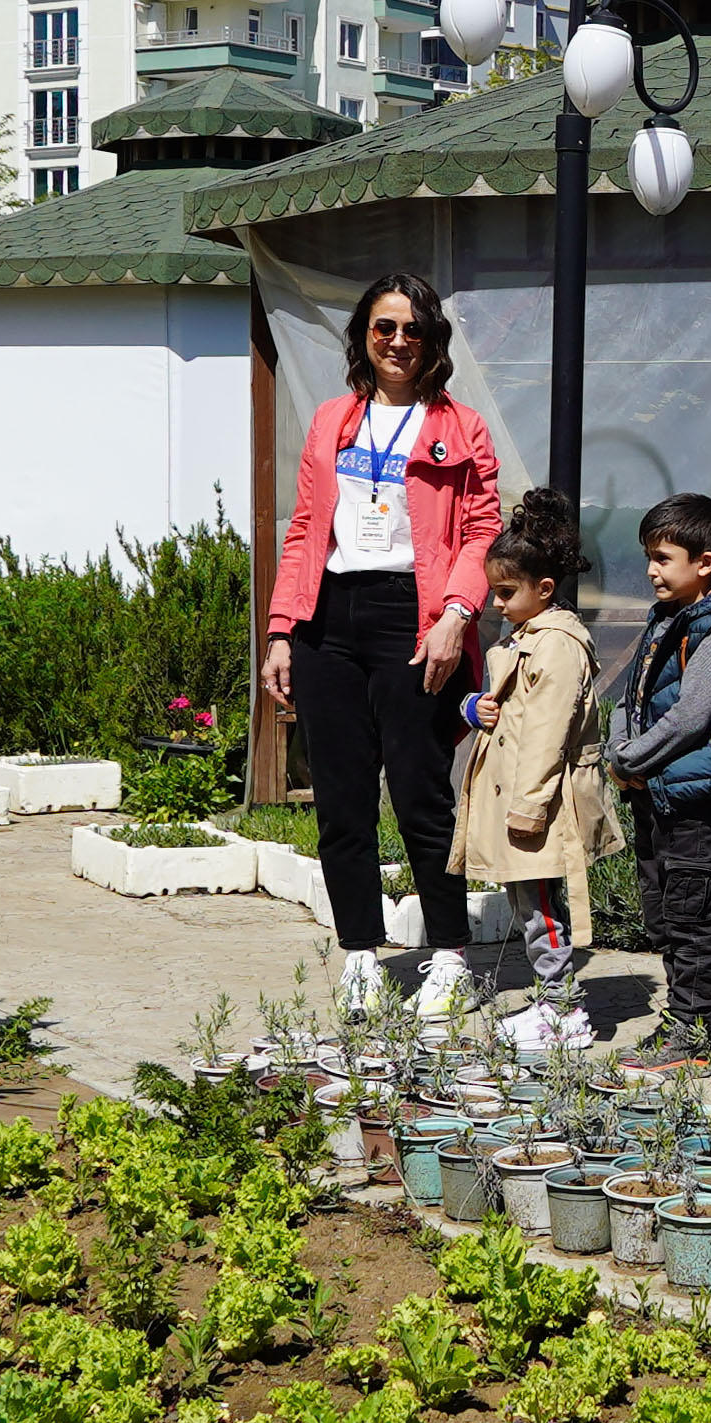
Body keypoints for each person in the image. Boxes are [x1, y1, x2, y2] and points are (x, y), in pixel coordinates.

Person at [262, 273, 504, 1020]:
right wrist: (280, 631)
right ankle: (361, 953)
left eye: (411, 329)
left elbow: (483, 529)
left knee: (420, 792)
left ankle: (451, 954)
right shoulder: (334, 418)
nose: (398, 342)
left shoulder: (458, 425)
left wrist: (458, 615)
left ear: (433, 340)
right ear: (364, 336)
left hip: (416, 615)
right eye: (383, 328)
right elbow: (305, 528)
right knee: (340, 798)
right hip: (330, 619)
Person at [603, 490, 711, 1070]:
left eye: (662, 557)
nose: (651, 570)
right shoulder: (669, 617)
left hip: (695, 797)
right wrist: (619, 747)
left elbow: (692, 716)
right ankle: (679, 1020)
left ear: (704, 563)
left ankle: (693, 1035)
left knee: (691, 912)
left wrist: (629, 761)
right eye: (649, 556)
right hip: (659, 790)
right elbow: (633, 695)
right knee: (661, 912)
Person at [451, 487, 620, 1057]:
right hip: (523, 800)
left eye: (505, 592)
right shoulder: (525, 636)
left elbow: (547, 736)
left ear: (544, 590)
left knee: (543, 907)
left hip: (540, 806)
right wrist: (474, 707)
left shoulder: (557, 646)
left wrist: (527, 807)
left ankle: (563, 1010)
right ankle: (553, 1003)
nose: (496, 604)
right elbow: (504, 706)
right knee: (530, 905)